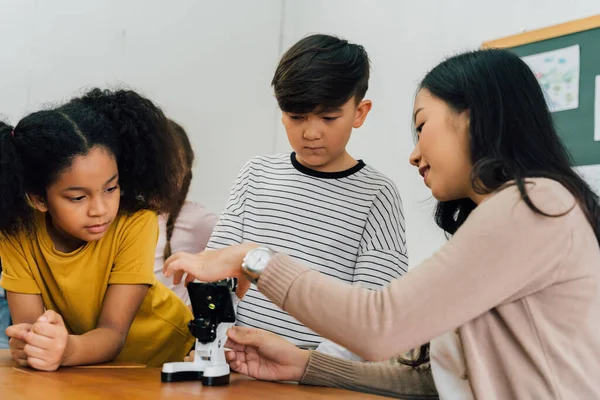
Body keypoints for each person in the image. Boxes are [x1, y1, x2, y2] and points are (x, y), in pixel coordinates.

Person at [164, 48, 600, 399]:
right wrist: (305, 365)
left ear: (472, 117)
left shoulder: (535, 203)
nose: (413, 154)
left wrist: (252, 259)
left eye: (422, 126)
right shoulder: (515, 212)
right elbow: (434, 380)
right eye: (297, 116)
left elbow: (379, 324)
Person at [189, 34, 408, 360]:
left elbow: (371, 315)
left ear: (359, 113)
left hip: (317, 377)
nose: (311, 132)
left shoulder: (377, 196)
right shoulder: (256, 174)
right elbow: (216, 274)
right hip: (237, 362)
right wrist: (211, 349)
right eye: (297, 117)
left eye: (328, 117)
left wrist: (311, 370)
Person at [0, 88, 195, 370]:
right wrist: (35, 343)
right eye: (78, 197)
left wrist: (65, 350)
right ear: (39, 198)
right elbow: (29, 327)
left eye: (111, 188)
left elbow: (114, 333)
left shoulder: (136, 221)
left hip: (168, 358)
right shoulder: (16, 232)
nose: (100, 209)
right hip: (89, 368)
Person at [153, 120, 217, 305]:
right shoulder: (124, 216)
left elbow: (237, 257)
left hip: (178, 329)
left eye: (171, 167)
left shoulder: (197, 219)